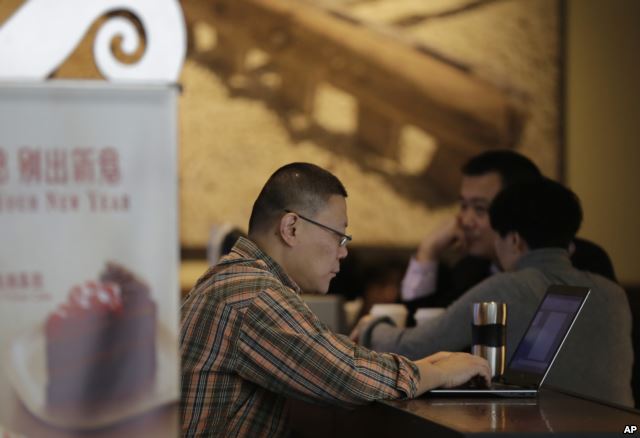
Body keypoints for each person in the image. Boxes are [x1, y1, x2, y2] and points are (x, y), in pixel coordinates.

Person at [180, 162, 490, 437]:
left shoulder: (236, 279)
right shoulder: (253, 293)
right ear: (291, 228)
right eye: (338, 236)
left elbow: (331, 357)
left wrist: (424, 367)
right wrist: (442, 373)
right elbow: (345, 375)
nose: (343, 251)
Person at [356, 178, 633, 407]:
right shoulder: (613, 293)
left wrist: (372, 327)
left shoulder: (507, 287)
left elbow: (414, 348)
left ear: (513, 239)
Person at [401, 150, 616, 317]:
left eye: (479, 209)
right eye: (463, 206)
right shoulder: (471, 269)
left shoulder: (582, 262)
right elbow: (422, 333)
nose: (465, 221)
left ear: (517, 208)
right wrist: (427, 253)